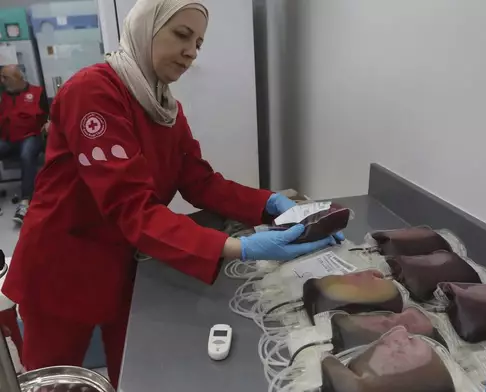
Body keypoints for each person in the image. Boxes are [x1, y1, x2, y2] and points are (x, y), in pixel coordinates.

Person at [1, 0, 343, 387]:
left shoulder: (164, 107)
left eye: (199, 42)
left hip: (124, 260)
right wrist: (238, 248)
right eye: (181, 35)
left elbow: (198, 181)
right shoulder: (93, 92)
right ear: (146, 28)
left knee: (134, 373)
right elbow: (131, 207)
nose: (191, 51)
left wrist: (268, 204)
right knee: (53, 379)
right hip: (63, 264)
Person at [0, 65, 48, 223]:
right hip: (8, 138)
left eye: (4, 77)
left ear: (15, 78)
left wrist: (49, 123)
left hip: (31, 136)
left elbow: (49, 116)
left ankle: (25, 201)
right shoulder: (4, 96)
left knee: (27, 155)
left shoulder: (37, 93)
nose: (2, 81)